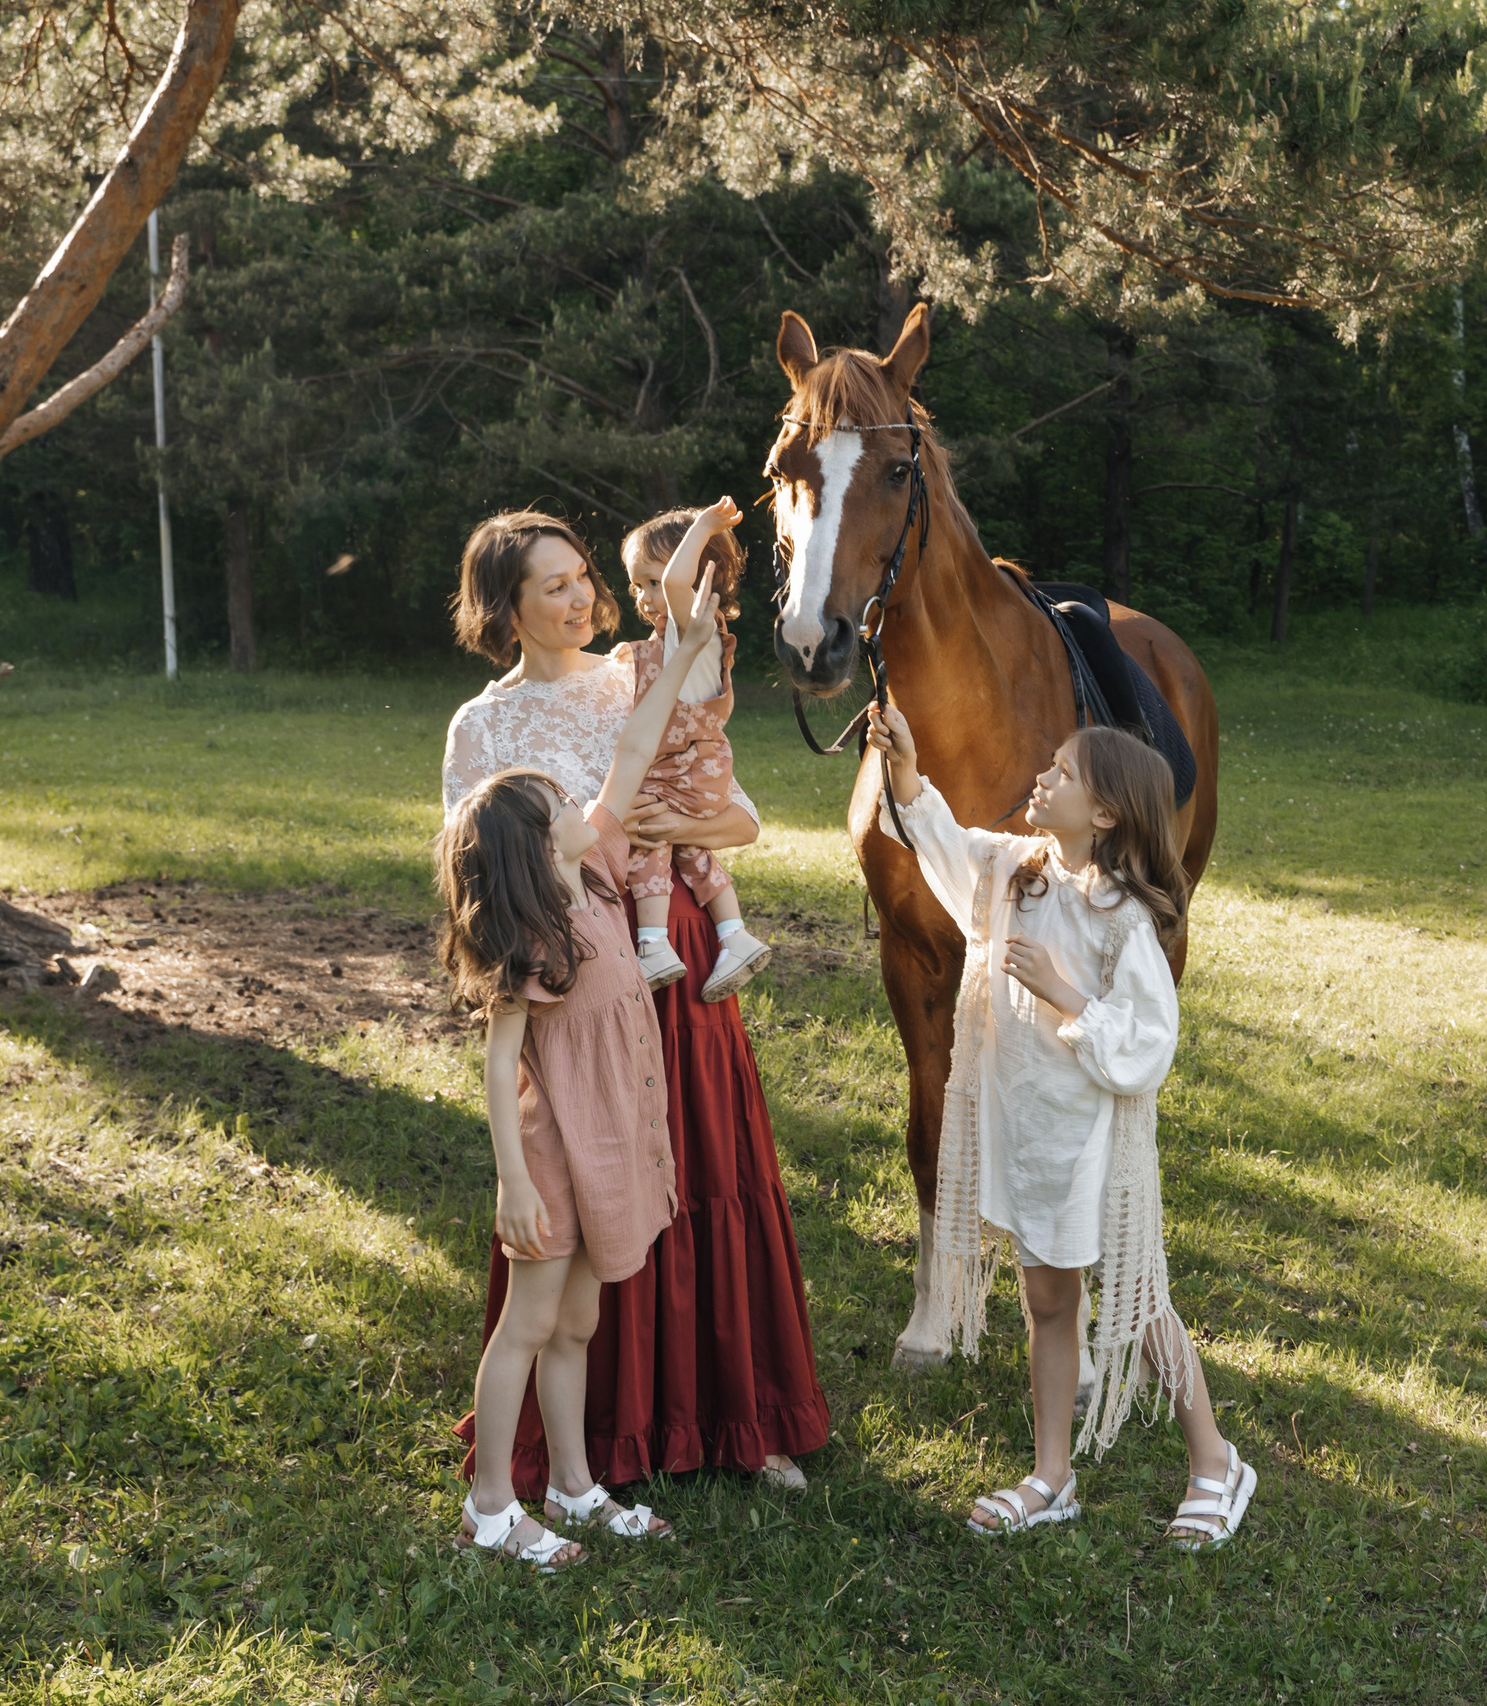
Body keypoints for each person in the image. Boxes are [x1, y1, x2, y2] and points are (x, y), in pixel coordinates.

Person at [441, 506, 829, 1496]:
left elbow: (740, 818)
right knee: (580, 1193)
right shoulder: (481, 726)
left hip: (671, 954)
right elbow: (472, 875)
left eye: (584, 576)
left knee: (699, 1173)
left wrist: (665, 822)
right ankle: (588, 1445)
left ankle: (736, 1417)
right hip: (564, 982)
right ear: (507, 608)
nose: (582, 598)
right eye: (555, 586)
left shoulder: (632, 676)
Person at [864, 704, 1255, 1548]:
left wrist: (1062, 992)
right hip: (1031, 1130)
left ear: (1105, 814)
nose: (1043, 777)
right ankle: (1052, 1476)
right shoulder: (1019, 871)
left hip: (1093, 1143)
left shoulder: (1122, 919)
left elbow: (1148, 1042)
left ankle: (1216, 1463)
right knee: (1049, 1302)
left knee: (1138, 1305)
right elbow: (943, 843)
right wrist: (905, 766)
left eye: (1063, 772)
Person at [618, 508, 770, 1002]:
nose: (644, 597)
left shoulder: (695, 632)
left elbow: (678, 585)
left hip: (681, 773)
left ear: (700, 577)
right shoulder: (671, 639)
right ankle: (735, 936)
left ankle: (653, 944)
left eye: (653, 581)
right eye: (636, 585)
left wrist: (703, 528)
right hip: (698, 774)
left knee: (648, 838)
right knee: (690, 851)